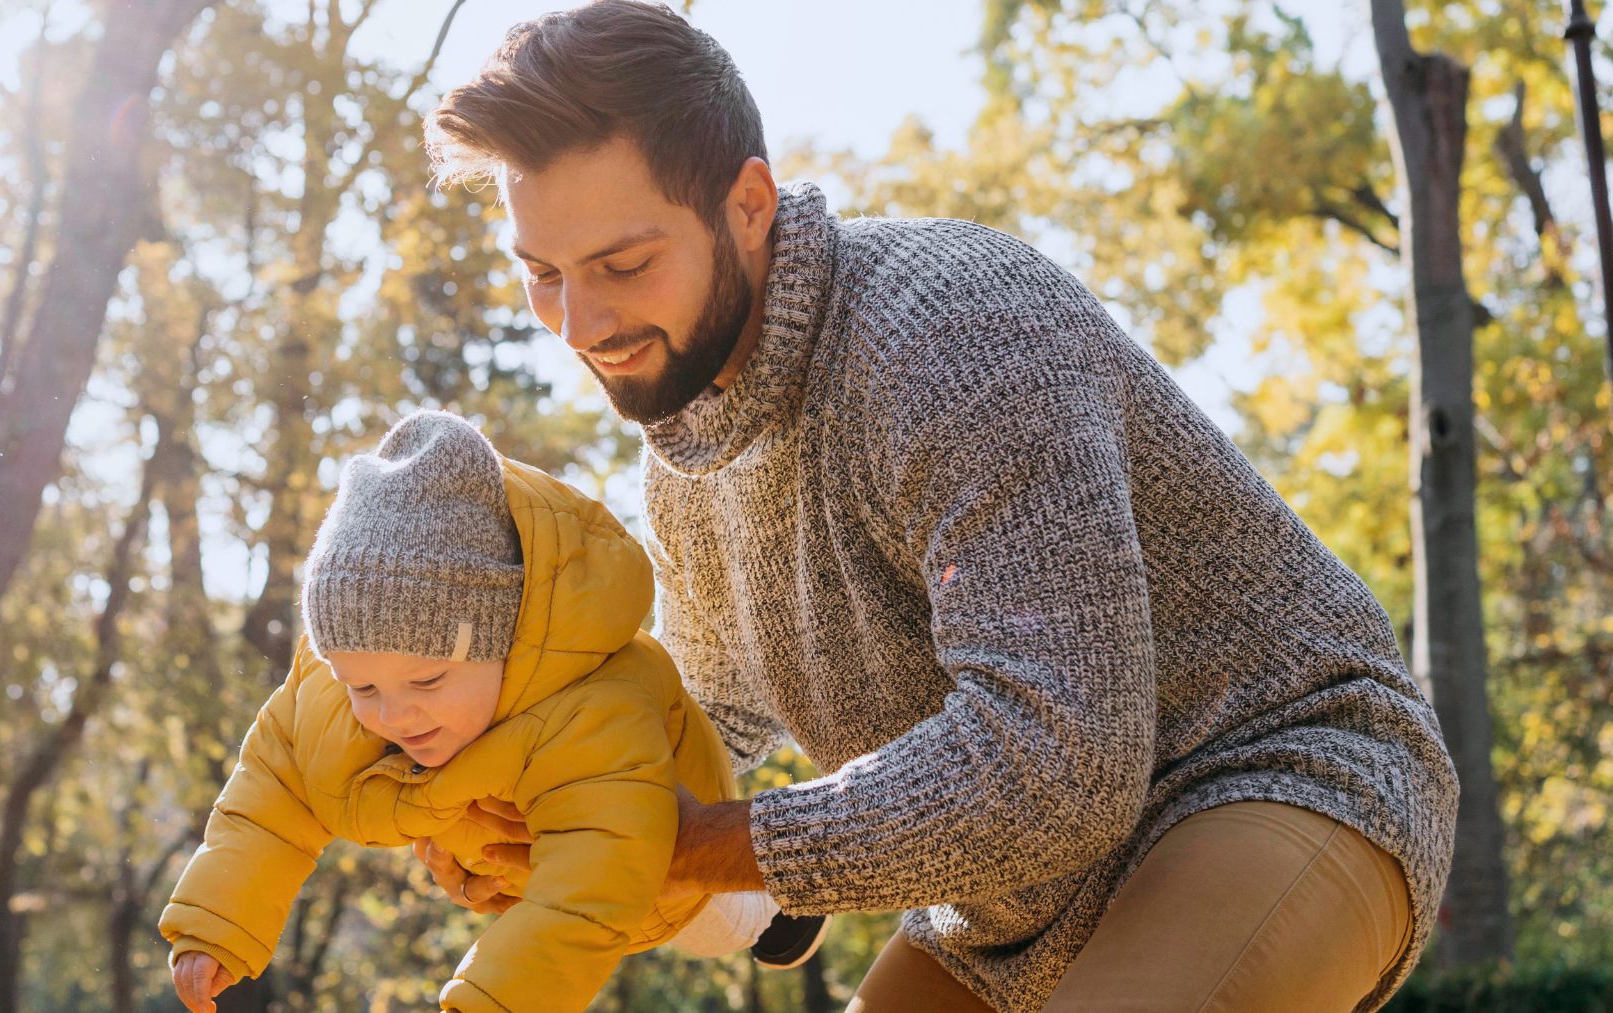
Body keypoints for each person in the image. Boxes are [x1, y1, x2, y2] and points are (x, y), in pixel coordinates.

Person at [415, 2, 1462, 1011]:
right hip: (1007, 899)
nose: (579, 322)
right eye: (542, 273)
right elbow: (703, 718)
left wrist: (706, 843)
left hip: (1272, 772)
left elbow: (1060, 761)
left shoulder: (950, 331)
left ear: (748, 204)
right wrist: (543, 812)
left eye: (624, 264)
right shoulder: (688, 460)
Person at [157, 410, 807, 1013]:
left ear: (506, 640)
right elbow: (266, 800)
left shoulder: (594, 706)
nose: (395, 713)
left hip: (664, 868)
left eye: (428, 677)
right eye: (363, 686)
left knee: (715, 923)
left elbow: (593, 883)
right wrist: (215, 923)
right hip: (523, 879)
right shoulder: (329, 696)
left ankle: (786, 901)